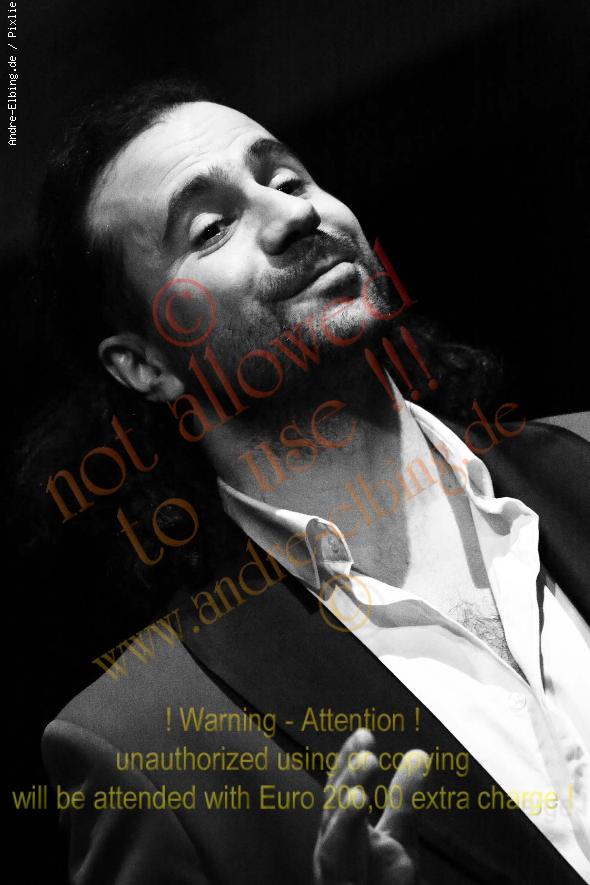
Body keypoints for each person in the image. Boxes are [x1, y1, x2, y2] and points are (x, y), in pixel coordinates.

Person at [38, 79, 589, 884]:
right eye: (212, 226)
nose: (292, 214)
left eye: (288, 178)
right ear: (146, 364)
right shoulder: (146, 748)